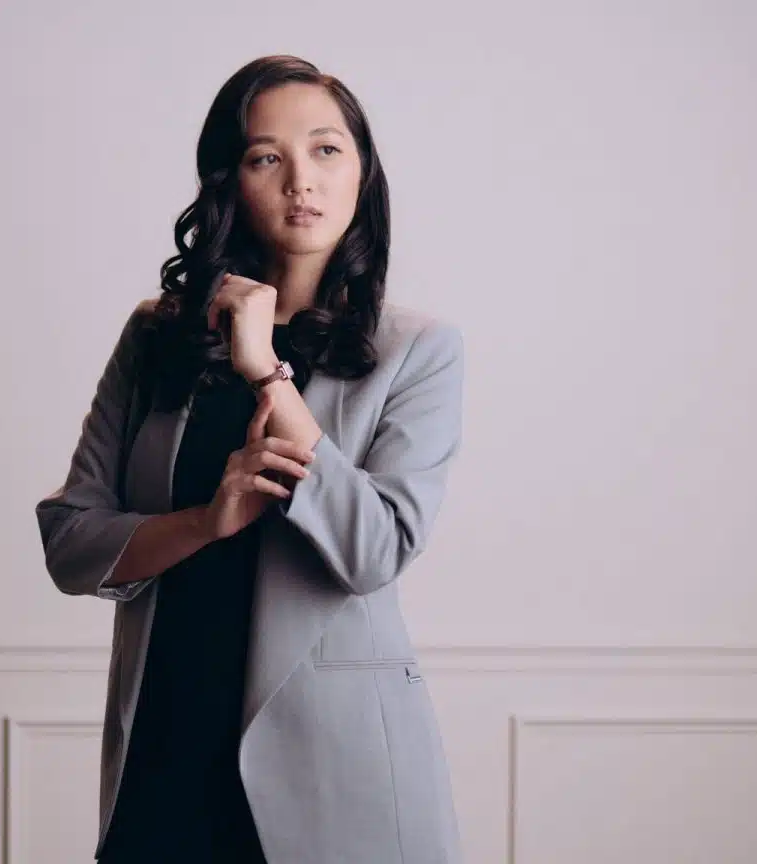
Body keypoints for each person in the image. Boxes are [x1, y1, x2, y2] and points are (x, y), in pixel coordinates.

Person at [35, 54, 466, 864]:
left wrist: (266, 368)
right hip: (166, 741)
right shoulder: (158, 335)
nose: (301, 179)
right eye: (267, 156)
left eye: (327, 149)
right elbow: (70, 541)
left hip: (339, 772)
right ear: (230, 181)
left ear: (363, 172)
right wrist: (204, 521)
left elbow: (375, 549)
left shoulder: (418, 351)